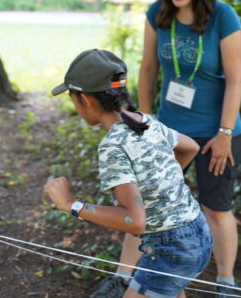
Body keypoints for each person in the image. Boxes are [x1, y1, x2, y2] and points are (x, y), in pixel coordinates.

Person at [90, 0, 241, 298]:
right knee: (144, 203)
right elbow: (147, 69)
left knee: (216, 208)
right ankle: (124, 277)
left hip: (215, 132)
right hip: (169, 129)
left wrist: (224, 133)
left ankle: (226, 283)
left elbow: (236, 80)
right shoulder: (157, 14)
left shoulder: (223, 16)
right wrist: (142, 123)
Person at [43, 49, 212, 298]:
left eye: (73, 98)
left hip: (170, 250)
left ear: (86, 100)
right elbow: (191, 147)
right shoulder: (147, 121)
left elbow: (134, 221)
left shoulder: (113, 145)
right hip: (198, 232)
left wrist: (71, 204)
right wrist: (162, 183)